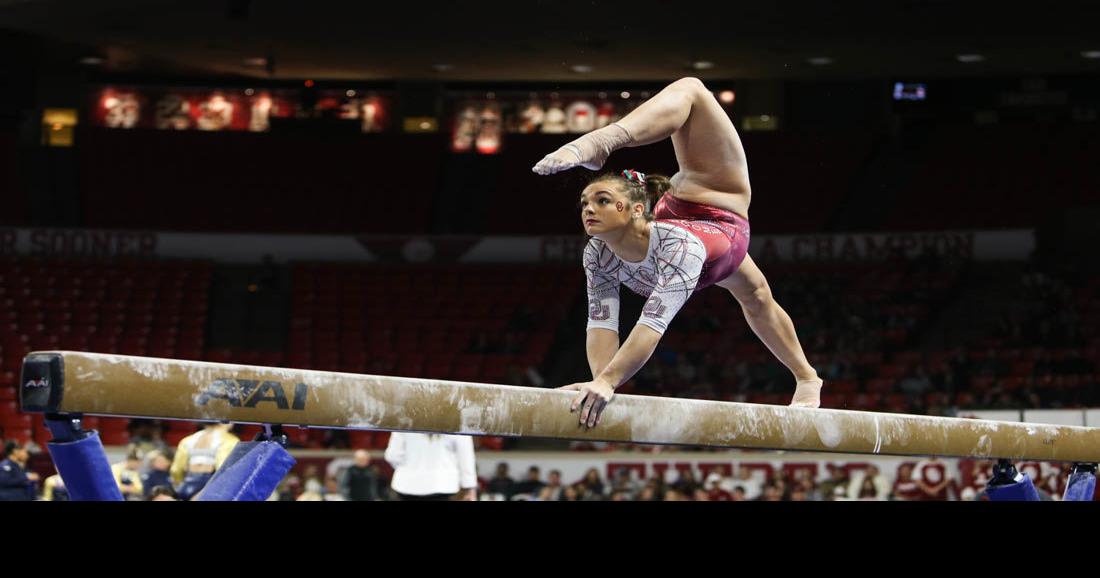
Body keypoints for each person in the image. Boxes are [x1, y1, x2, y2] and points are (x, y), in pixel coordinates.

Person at [533, 77, 822, 428]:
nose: (588, 210)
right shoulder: (599, 253)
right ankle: (807, 376)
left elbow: (651, 326)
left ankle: (602, 140)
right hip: (696, 243)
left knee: (692, 90)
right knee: (758, 296)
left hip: (714, 200)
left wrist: (610, 381)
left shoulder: (678, 249)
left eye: (602, 200)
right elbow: (602, 323)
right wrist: (601, 379)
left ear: (634, 209)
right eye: (584, 202)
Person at [384, 432, 477, 501]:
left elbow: (393, 455)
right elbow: (465, 457)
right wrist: (469, 488)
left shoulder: (405, 416)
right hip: (442, 485)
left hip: (407, 485)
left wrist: (411, 467)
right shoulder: (457, 417)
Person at [170, 423, 240, 501]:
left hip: (187, 486)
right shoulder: (230, 441)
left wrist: (180, 485)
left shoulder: (188, 440)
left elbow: (176, 470)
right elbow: (224, 470)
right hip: (210, 486)